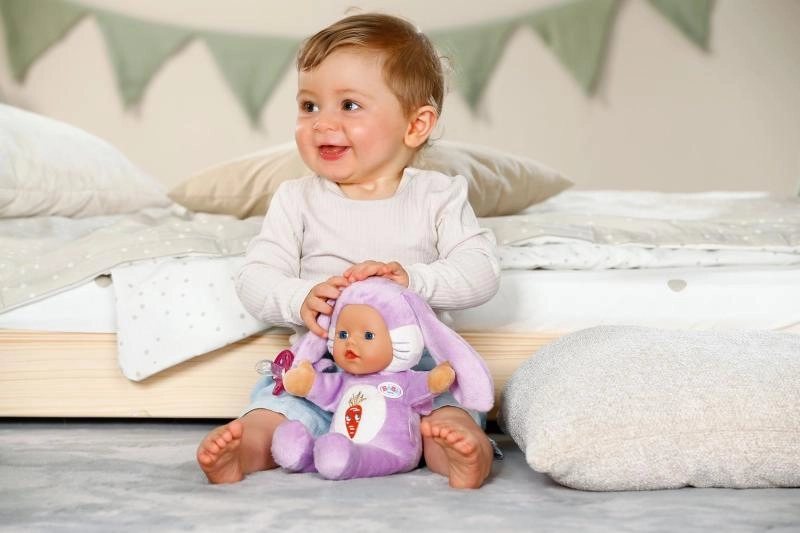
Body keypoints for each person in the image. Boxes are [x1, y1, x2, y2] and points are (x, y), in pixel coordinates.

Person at [196, 12, 500, 489]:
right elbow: (255, 276)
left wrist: (413, 281)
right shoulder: (296, 199)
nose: (323, 123)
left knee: (446, 412)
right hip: (321, 367)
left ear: (416, 124)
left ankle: (463, 451)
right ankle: (244, 449)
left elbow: (481, 272)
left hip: (413, 371)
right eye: (309, 105)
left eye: (350, 105)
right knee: (276, 411)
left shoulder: (438, 196)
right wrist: (301, 297)